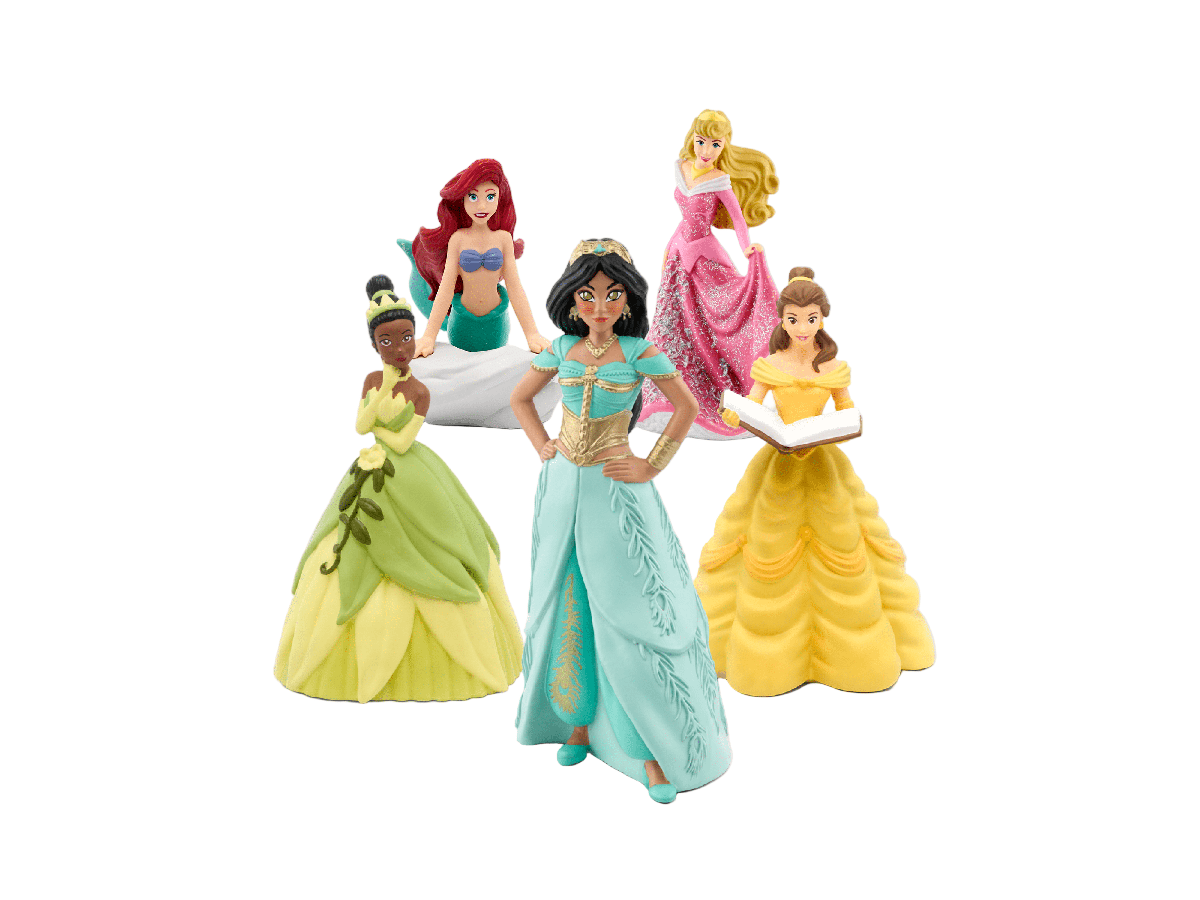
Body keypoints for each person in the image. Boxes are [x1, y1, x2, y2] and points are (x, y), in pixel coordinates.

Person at [511, 239, 730, 804]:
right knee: (568, 595)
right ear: (571, 300)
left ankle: (650, 747)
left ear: (628, 300)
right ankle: (576, 722)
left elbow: (686, 407)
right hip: (562, 486)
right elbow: (521, 400)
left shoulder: (638, 352)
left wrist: (650, 464)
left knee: (632, 609)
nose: (600, 306)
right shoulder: (561, 348)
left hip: (616, 489)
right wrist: (543, 446)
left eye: (612, 294)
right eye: (587, 295)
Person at [274, 275, 523, 702]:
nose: (399, 348)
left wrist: (381, 429)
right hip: (369, 467)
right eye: (387, 341)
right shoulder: (373, 381)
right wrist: (381, 393)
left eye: (407, 337)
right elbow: (361, 426)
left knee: (442, 537)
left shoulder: (420, 391)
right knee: (342, 540)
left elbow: (403, 441)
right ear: (375, 345)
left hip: (406, 471)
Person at [695, 267, 935, 696]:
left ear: (822, 319)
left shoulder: (833, 367)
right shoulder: (771, 365)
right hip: (780, 462)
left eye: (811, 319)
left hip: (822, 461)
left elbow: (846, 409)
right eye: (794, 319)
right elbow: (753, 403)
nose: (803, 328)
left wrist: (842, 426)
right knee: (768, 539)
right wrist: (735, 415)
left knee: (842, 541)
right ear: (782, 320)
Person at [638, 109, 781, 439]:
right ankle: (663, 386)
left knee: (710, 315)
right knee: (672, 321)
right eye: (701, 141)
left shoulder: (719, 181)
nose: (706, 150)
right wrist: (669, 249)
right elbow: (684, 217)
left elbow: (739, 220)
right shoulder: (682, 168)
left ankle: (712, 381)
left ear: (724, 146)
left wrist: (747, 247)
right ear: (693, 139)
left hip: (703, 257)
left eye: (715, 144)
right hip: (677, 252)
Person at [397, 159, 557, 427]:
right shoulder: (458, 239)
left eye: (489, 196)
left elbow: (515, 288)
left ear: (500, 199)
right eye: (473, 196)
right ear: (462, 200)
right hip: (462, 325)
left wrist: (532, 333)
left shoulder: (503, 239)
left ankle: (501, 407)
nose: (481, 205)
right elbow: (446, 289)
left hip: (496, 325)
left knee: (497, 375)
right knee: (462, 378)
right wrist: (429, 336)